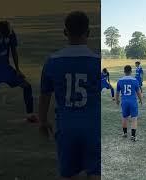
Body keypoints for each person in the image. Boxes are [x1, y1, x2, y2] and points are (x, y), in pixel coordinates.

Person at [39, 11, 101, 180]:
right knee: (95, 173)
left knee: (68, 174)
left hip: (66, 127)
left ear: (65, 32)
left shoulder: (52, 61)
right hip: (93, 127)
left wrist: (43, 121)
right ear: (88, 33)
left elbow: (45, 95)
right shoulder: (98, 62)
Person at [0, 21, 37, 122]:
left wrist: (17, 69)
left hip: (6, 69)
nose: (5, 38)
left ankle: (30, 115)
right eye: (4, 36)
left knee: (27, 86)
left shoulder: (10, 33)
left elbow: (13, 51)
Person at [116, 65, 143, 142]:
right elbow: (138, 92)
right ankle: (133, 136)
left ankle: (124, 133)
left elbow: (117, 92)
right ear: (131, 71)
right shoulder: (134, 80)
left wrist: (117, 100)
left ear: (124, 71)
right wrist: (141, 100)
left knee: (124, 117)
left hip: (124, 101)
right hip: (132, 101)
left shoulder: (120, 80)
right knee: (134, 118)